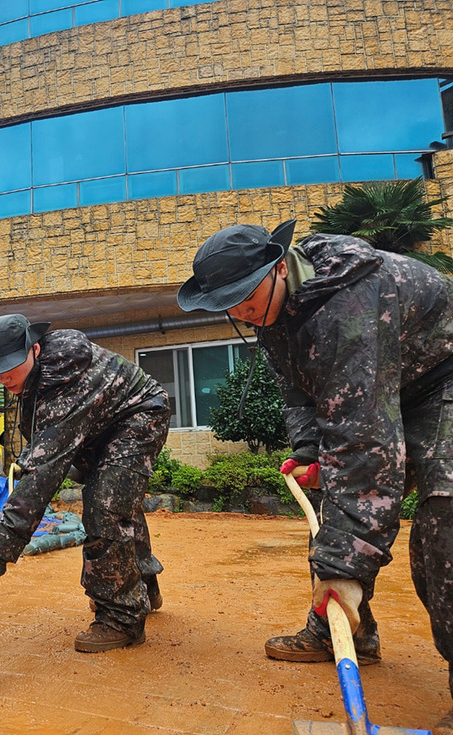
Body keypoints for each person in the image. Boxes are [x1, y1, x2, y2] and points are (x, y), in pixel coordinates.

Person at [177, 220, 453, 733]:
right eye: (228, 303)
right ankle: (342, 633)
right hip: (378, 393)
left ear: (279, 267)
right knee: (334, 501)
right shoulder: (274, 308)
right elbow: (298, 388)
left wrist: (347, 566)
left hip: (440, 380)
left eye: (244, 296)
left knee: (444, 519)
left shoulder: (347, 303)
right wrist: (308, 450)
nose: (239, 310)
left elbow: (365, 440)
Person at [0, 314, 170, 652]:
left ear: (34, 349)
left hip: (139, 415)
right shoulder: (35, 376)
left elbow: (42, 474)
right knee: (118, 499)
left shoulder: (66, 375)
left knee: (106, 503)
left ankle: (121, 617)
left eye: (10, 366)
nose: (4, 377)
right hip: (99, 427)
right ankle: (143, 584)